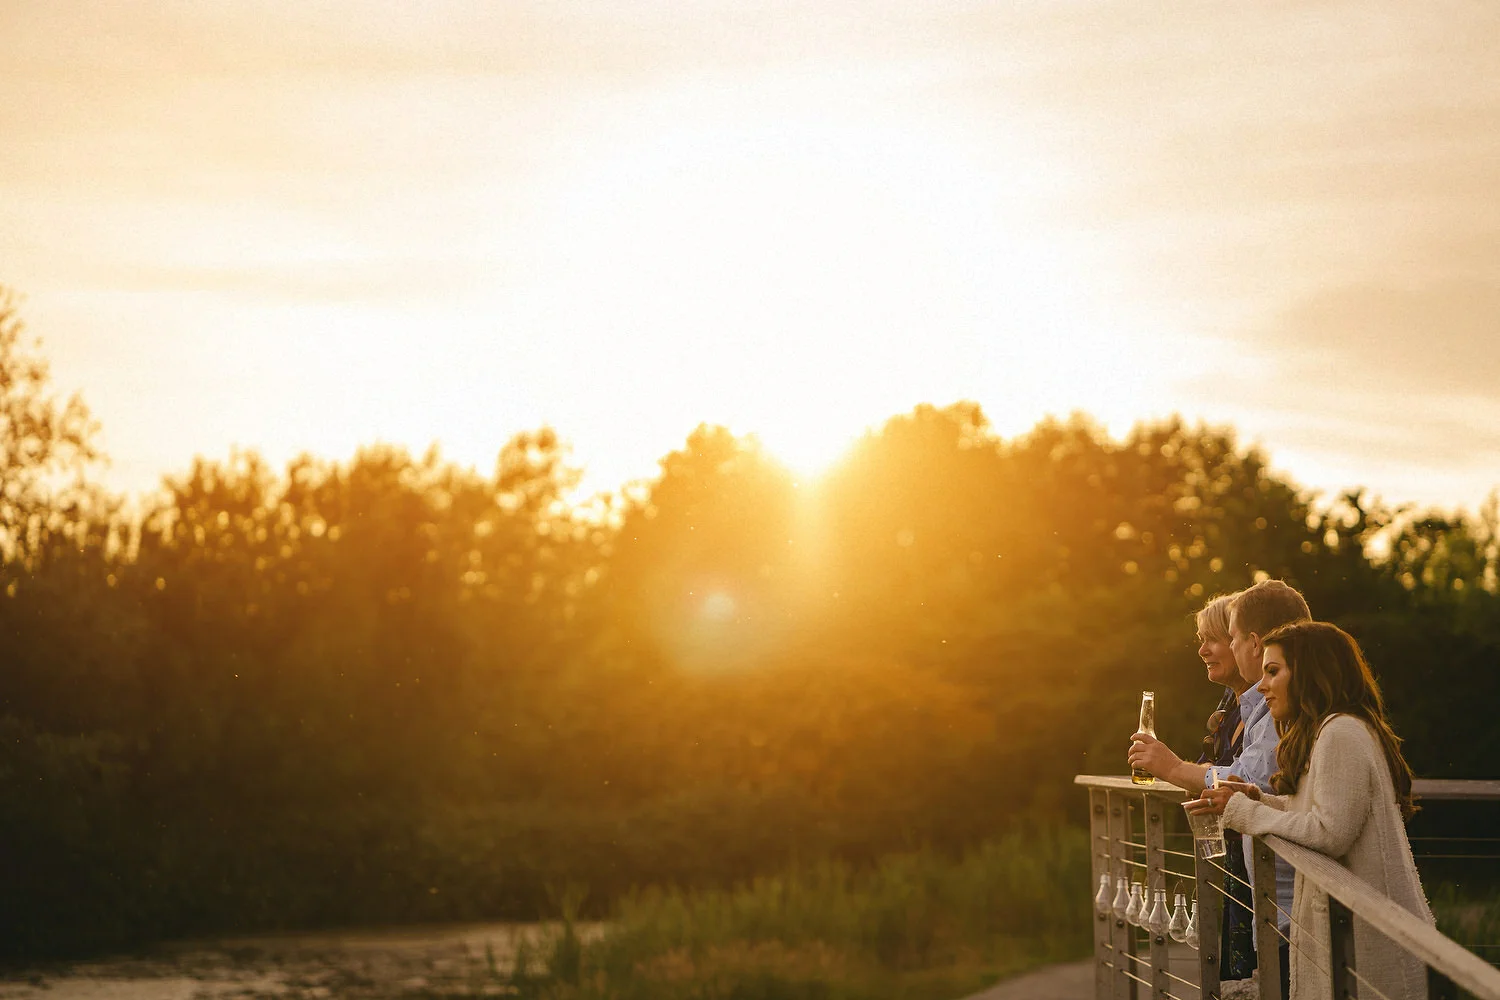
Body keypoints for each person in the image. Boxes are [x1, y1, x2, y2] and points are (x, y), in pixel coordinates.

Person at [1188, 622, 1433, 1000]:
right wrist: (1258, 798)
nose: (1264, 685)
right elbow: (1322, 811)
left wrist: (1244, 812)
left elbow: (1329, 832)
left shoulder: (1341, 733)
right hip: (1355, 935)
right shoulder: (1330, 729)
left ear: (1310, 672)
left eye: (1274, 671)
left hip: (1369, 943)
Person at [1131, 580, 1310, 990]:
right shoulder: (1243, 705)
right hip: (1262, 885)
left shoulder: (1282, 706)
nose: (1205, 650)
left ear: (1249, 642)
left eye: (1221, 638)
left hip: (1282, 897)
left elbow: (1248, 780)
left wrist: (1173, 767)